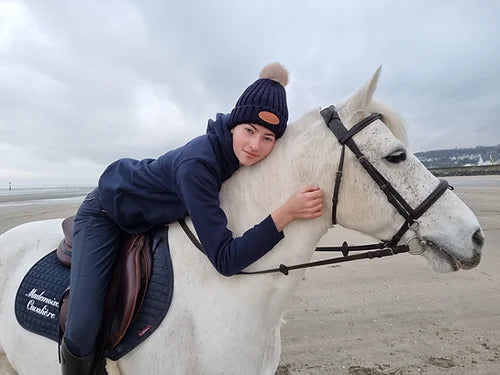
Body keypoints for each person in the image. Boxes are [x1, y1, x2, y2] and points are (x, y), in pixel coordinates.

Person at [60, 62, 324, 374]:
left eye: (268, 138)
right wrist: (285, 214)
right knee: (83, 324)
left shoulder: (234, 155)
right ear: (233, 126)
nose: (255, 146)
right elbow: (225, 260)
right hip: (106, 214)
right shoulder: (199, 164)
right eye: (249, 131)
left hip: (152, 213)